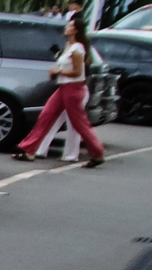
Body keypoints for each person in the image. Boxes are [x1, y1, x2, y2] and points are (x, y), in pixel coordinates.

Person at [14, 15, 105, 167]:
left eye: (70, 26)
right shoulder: (69, 45)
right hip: (63, 87)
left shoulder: (77, 48)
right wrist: (56, 73)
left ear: (76, 30)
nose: (67, 27)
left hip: (73, 88)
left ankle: (97, 153)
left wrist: (58, 71)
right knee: (46, 115)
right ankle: (28, 149)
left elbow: (78, 72)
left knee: (79, 123)